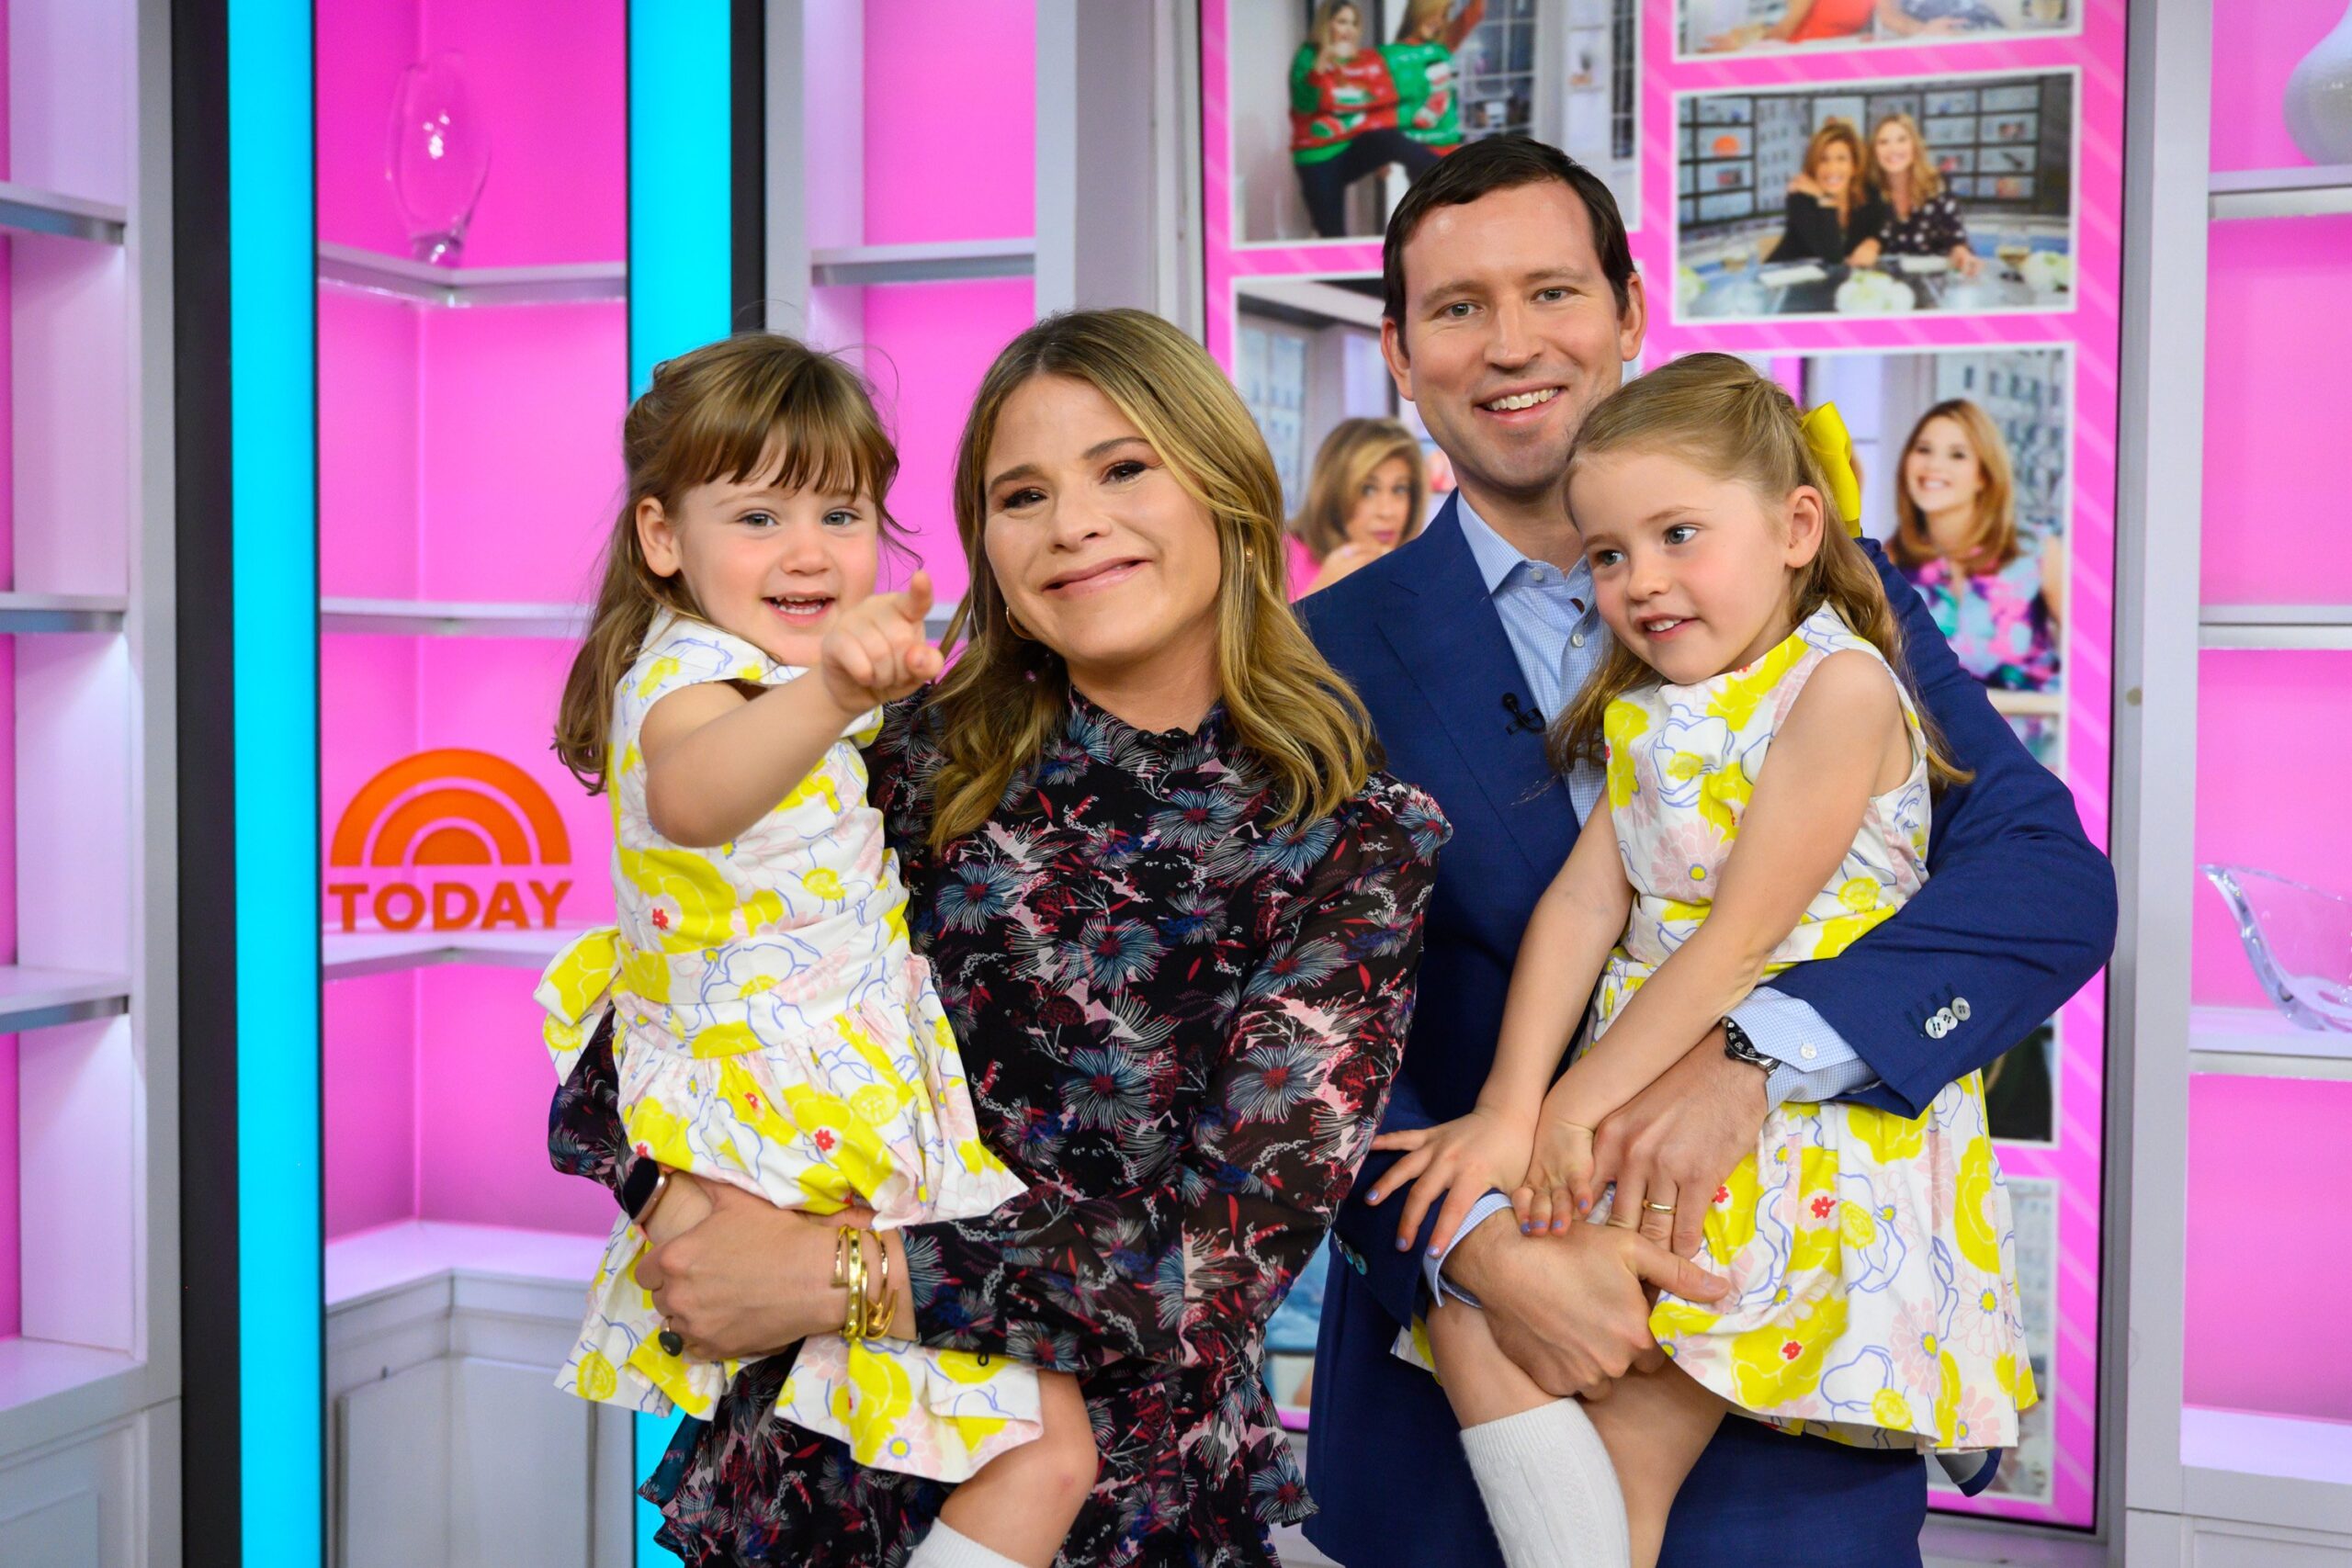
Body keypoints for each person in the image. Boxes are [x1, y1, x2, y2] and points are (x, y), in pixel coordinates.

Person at [1294, 135, 2114, 1568]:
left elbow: (2046, 880)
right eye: (1457, 307)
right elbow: (1286, 1036)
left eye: (1552, 290)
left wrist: (1758, 1056)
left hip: (1784, 1402)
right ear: (1398, 352)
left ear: (1627, 309)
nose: (1511, 345)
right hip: (1460, 1406)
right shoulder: (1314, 662)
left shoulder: (1819, 592)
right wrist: (1476, 1245)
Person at [548, 308, 1449, 1566]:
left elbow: (1207, 1266)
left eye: (1123, 467)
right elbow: (632, 1043)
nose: (1075, 521)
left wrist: (831, 1272)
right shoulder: (893, 761)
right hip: (811, 1468)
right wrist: (677, 1209)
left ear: (1228, 490)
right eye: (1023, 493)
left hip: (1127, 1506)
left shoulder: (1348, 836)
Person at [1371, 356, 2034, 1568]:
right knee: (1484, 1337)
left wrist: (1570, 1105)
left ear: (1794, 526)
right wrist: (1516, 1104)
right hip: (1638, 1097)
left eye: (1678, 534)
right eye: (1610, 553)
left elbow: (1737, 944)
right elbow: (1580, 908)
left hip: (1779, 1135)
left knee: (1616, 1452)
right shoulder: (1656, 708)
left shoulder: (1837, 688)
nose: (1641, 580)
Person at [538, 333, 1094, 1568]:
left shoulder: (776, 671)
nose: (807, 549)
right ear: (663, 537)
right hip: (793, 1102)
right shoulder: (689, 672)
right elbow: (692, 792)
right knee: (1042, 1445)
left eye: (841, 511)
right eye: (757, 512)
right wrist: (833, 688)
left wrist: (845, 688)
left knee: (1001, 1447)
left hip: (830, 1080)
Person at [1889, 398, 2062, 694]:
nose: (1933, 465)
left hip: (2031, 736)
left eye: (1957, 455)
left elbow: (2094, 663)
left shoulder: (2039, 552)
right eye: (1923, 449)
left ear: (1983, 475)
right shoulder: (1886, 563)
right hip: (1931, 739)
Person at [1289, 0, 1485, 239]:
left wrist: (1381, 152)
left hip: (1421, 153)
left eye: (1353, 23)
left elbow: (1377, 108)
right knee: (1331, 233)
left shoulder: (1438, 48)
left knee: (1437, 222)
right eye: (1342, 21)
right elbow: (1308, 104)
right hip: (1320, 156)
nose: (1348, 29)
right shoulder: (1312, 56)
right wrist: (1320, 66)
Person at [1291, 416, 1430, 596]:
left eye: (1399, 489)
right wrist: (1318, 595)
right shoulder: (1280, 557)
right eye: (1368, 490)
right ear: (1333, 491)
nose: (1386, 512)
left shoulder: (1422, 570)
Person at [1853, 114, 1983, 276]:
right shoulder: (1868, 191)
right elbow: (1864, 241)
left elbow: (1956, 242)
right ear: (1874, 151)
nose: (1893, 149)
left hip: (1931, 285)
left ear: (1914, 145)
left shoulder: (1937, 186)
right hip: (1882, 285)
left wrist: (1963, 256)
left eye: (1901, 140)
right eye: (1883, 142)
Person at [1770, 120, 1887, 267]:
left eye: (1841, 159)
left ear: (1854, 166)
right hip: (1787, 281)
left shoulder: (1868, 193)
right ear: (1814, 165)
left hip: (1834, 284)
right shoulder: (1799, 198)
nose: (1832, 169)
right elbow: (1833, 257)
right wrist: (1825, 199)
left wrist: (1874, 243)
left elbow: (1888, 225)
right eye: (1823, 160)